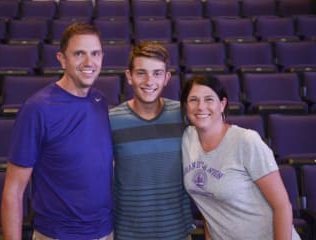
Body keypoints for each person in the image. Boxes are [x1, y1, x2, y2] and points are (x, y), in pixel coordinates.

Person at [1, 23, 114, 240]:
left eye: (95, 53)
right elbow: (13, 191)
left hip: (105, 232)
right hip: (58, 235)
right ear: (62, 59)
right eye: (79, 53)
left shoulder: (101, 101)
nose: (89, 62)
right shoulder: (37, 108)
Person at [180, 75, 301, 240]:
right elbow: (209, 207)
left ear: (222, 104)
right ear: (186, 106)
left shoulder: (246, 141)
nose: (201, 107)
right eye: (193, 100)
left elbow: (282, 206)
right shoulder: (187, 139)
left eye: (209, 99)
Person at [108, 42, 194, 240]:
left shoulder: (184, 115)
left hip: (178, 233)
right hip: (128, 235)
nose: (149, 81)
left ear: (166, 78)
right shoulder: (110, 120)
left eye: (157, 73)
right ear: (129, 76)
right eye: (141, 73)